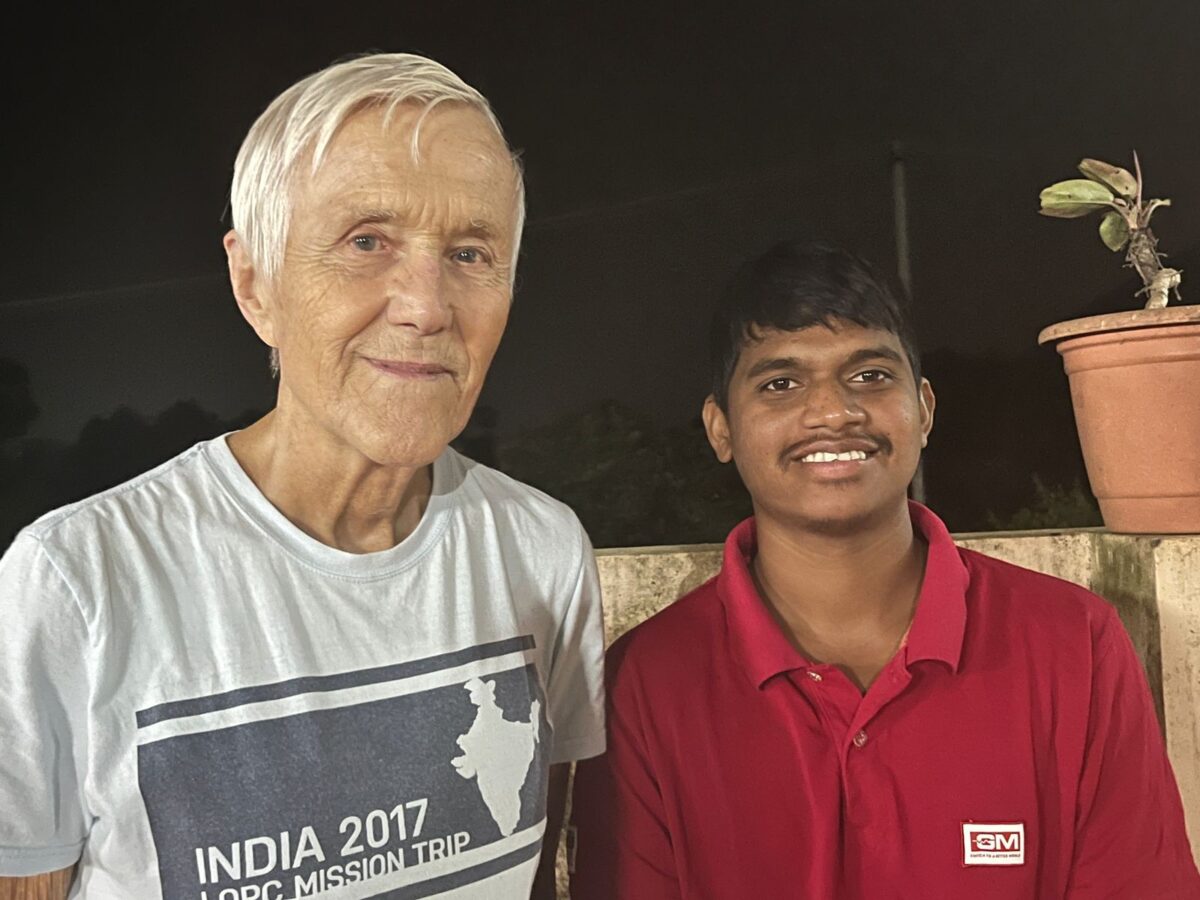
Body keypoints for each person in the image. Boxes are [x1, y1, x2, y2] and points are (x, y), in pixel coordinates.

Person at [0, 53, 605, 900]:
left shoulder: (542, 550)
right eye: (367, 242)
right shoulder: (77, 581)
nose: (427, 305)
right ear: (254, 284)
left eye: (471, 252)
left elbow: (534, 868)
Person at [570, 241, 1200, 898]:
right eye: (781, 384)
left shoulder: (1076, 646)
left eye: (869, 376)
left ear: (923, 409)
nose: (833, 412)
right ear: (721, 429)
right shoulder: (644, 683)